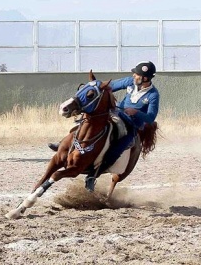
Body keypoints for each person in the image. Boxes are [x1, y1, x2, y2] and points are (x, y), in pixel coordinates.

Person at [49, 61, 160, 192]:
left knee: (119, 147)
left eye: (136, 75)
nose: (134, 76)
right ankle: (64, 144)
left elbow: (151, 117)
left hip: (132, 124)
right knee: (86, 121)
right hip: (116, 112)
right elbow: (109, 86)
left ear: (145, 78)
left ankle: (93, 175)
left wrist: (136, 112)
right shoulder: (130, 82)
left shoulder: (153, 95)